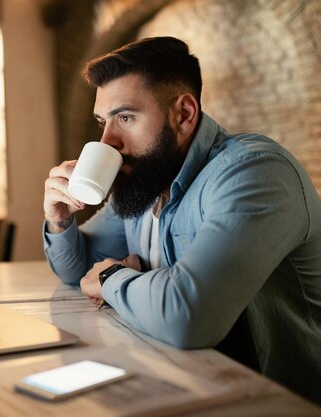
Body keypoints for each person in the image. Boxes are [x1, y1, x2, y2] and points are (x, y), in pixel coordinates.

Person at [42, 36, 321, 404]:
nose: (108, 140)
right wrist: (59, 220)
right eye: (103, 121)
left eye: (125, 117)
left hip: (277, 402)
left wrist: (112, 277)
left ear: (185, 114)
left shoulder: (254, 172)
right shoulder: (145, 180)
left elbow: (187, 317)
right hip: (186, 383)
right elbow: (76, 270)